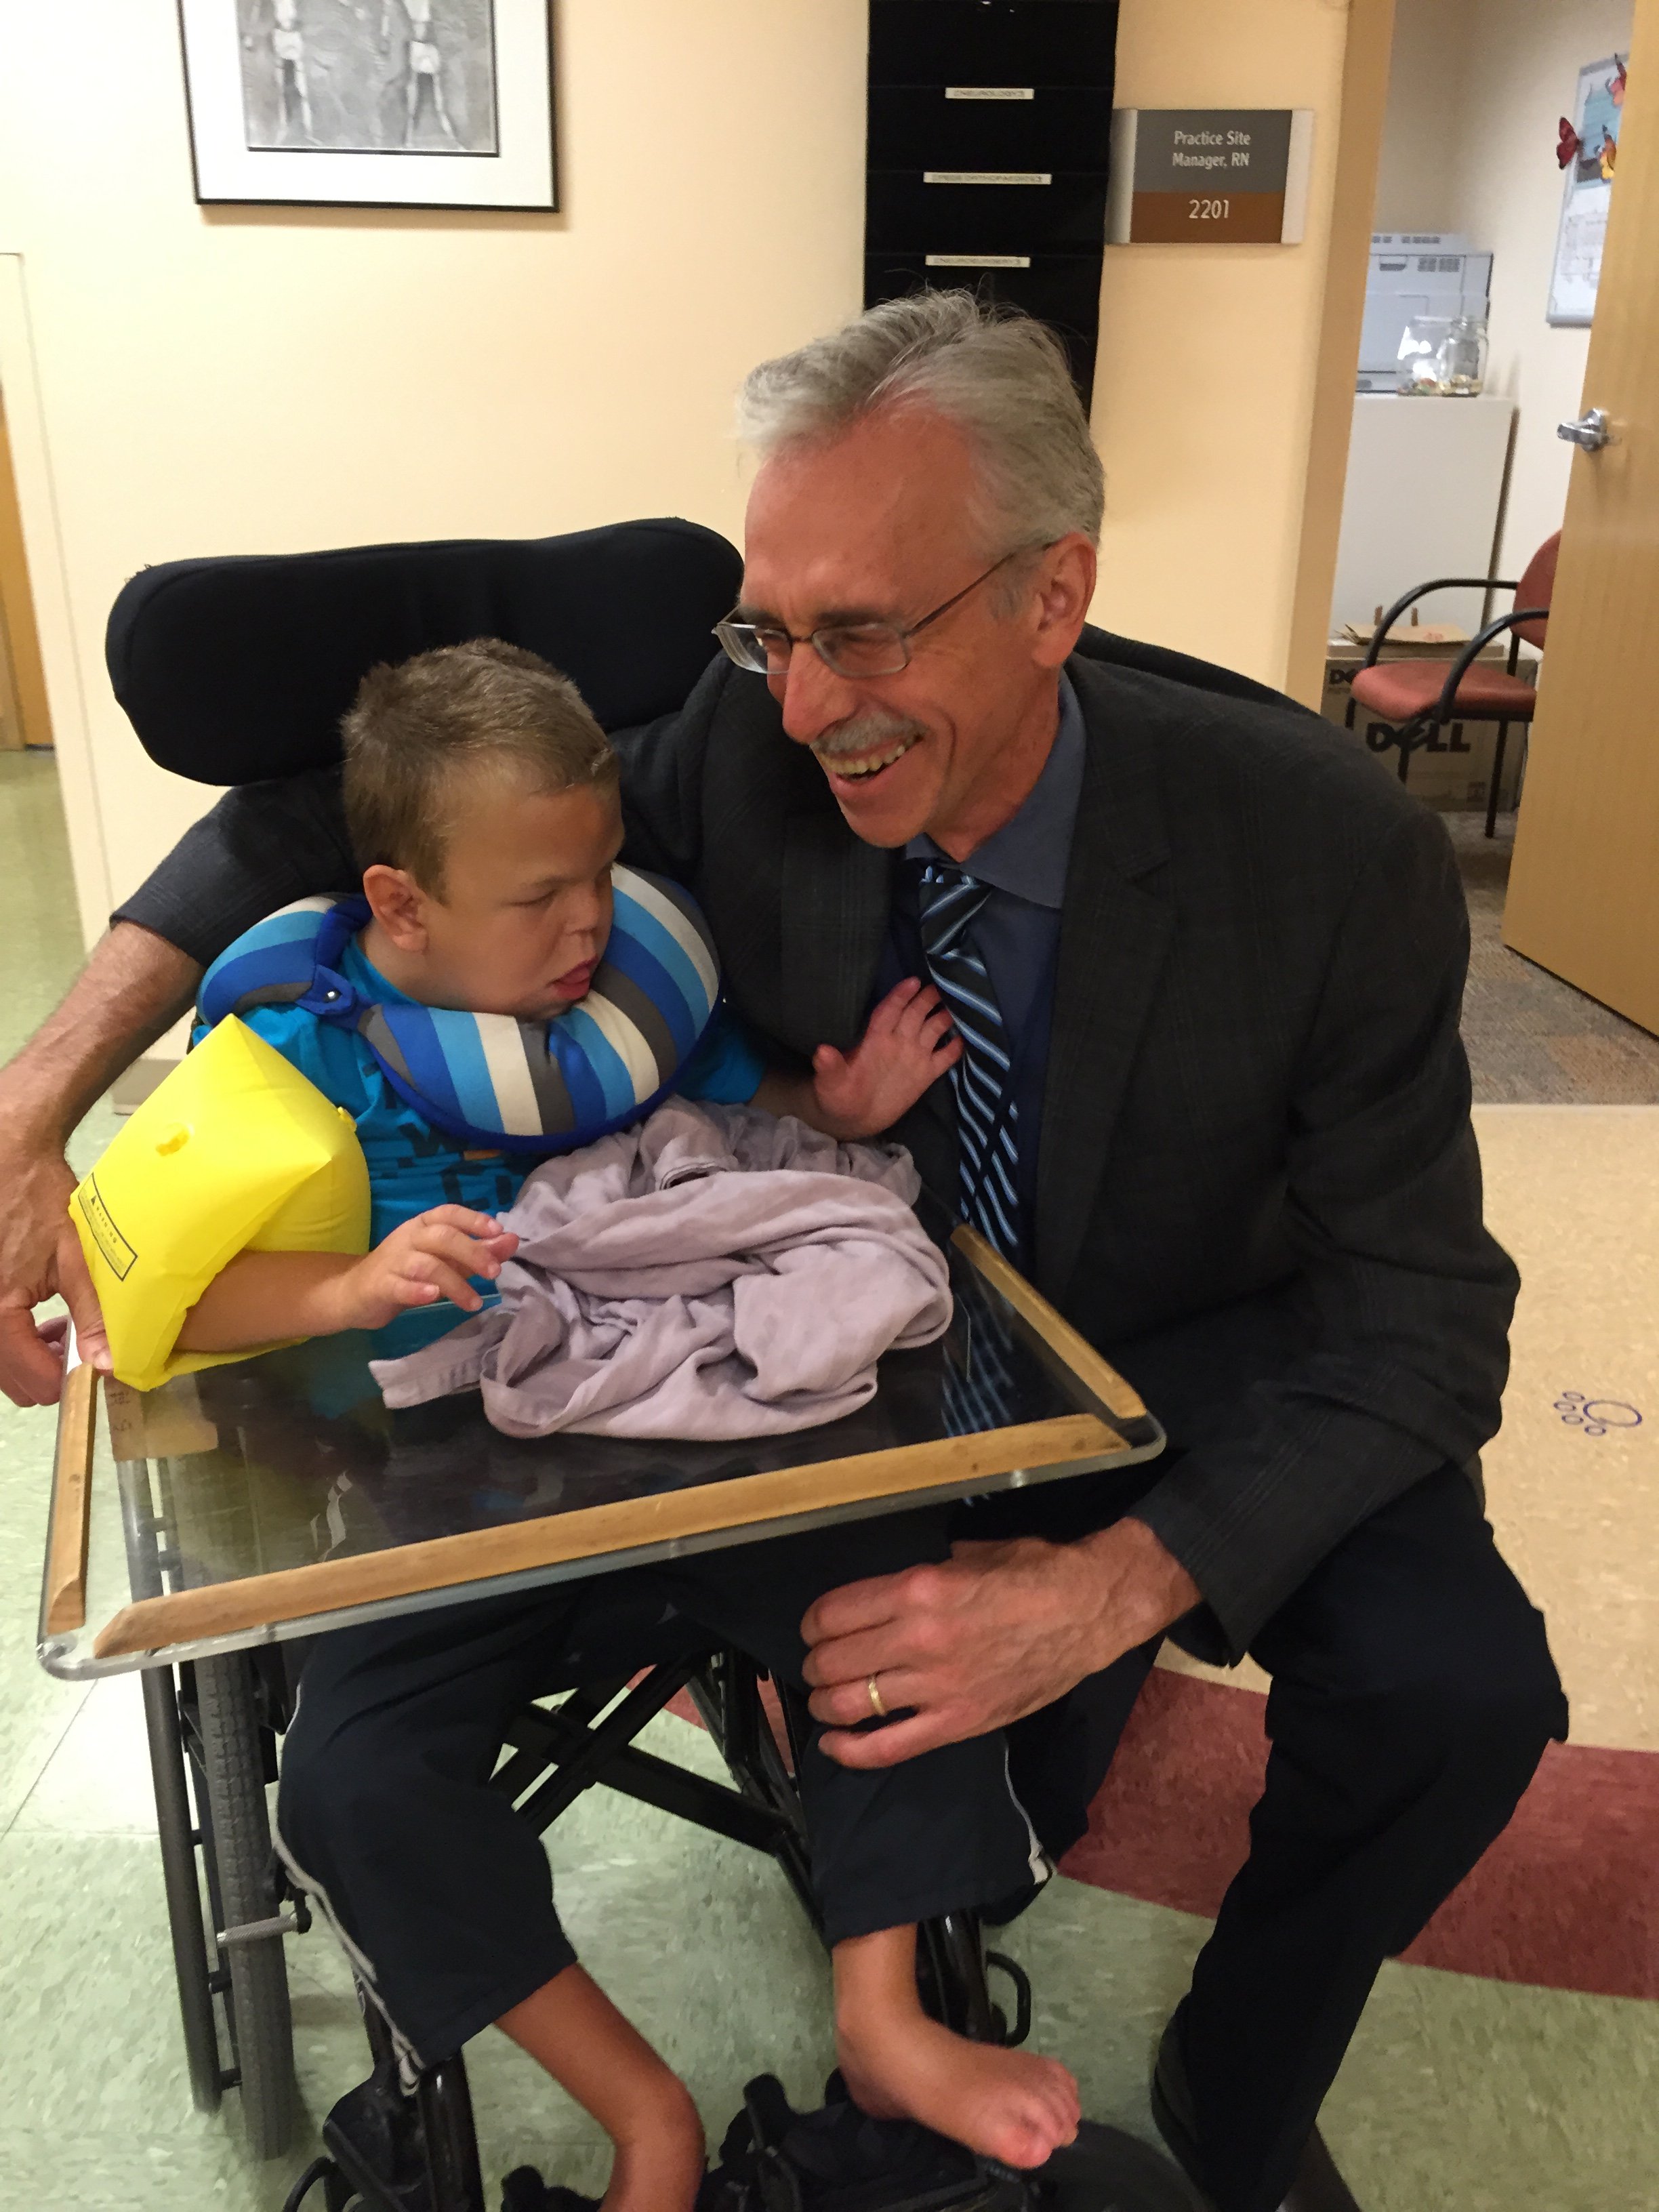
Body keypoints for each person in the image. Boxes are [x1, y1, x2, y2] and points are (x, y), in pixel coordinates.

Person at [0, 294, 1567, 2212]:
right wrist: (33, 1103)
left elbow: (1427, 1320)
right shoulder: (751, 740)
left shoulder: (1324, 852)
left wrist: (1119, 1585)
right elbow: (325, 826)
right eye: (775, 631)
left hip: (1194, 1343)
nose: (812, 702)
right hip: (864, 1365)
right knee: (951, 1790)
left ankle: (1240, 2083)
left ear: (1055, 596)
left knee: (1454, 1695)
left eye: (867, 631)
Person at [152, 634, 1078, 2207]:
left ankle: (885, 2019)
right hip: (437, 1506)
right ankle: (645, 2115)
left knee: (911, 1616)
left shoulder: (625, 1008)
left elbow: (735, 1119)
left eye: (601, 875)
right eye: (540, 898)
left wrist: (840, 1111)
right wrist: (345, 1285)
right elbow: (177, 1300)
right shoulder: (286, 1045)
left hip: (675, 1449)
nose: (589, 923)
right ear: (401, 905)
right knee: (348, 1786)